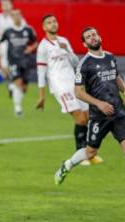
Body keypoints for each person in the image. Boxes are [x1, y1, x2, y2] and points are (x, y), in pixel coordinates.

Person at [54, 27, 125, 185]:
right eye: (88, 37)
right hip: (99, 116)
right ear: (84, 43)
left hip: (119, 111)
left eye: (94, 34)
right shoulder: (84, 64)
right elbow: (78, 92)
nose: (92, 38)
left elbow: (116, 77)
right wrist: (99, 104)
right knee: (91, 152)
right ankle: (68, 164)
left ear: (99, 37)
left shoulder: (109, 57)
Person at [36, 14, 103, 166]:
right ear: (44, 27)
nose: (53, 24)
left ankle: (88, 154)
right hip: (60, 86)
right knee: (80, 118)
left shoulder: (64, 41)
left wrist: (67, 50)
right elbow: (41, 72)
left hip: (74, 84)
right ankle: (80, 155)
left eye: (54, 21)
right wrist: (42, 95)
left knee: (87, 116)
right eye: (49, 22)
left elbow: (76, 62)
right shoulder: (43, 47)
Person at [0, 9, 37, 116]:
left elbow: (35, 42)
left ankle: (11, 87)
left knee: (24, 87)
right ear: (12, 18)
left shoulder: (28, 30)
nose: (16, 17)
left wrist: (31, 48)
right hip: (13, 61)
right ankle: (18, 108)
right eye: (14, 15)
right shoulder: (8, 31)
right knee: (19, 82)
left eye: (18, 15)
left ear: (21, 16)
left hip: (26, 61)